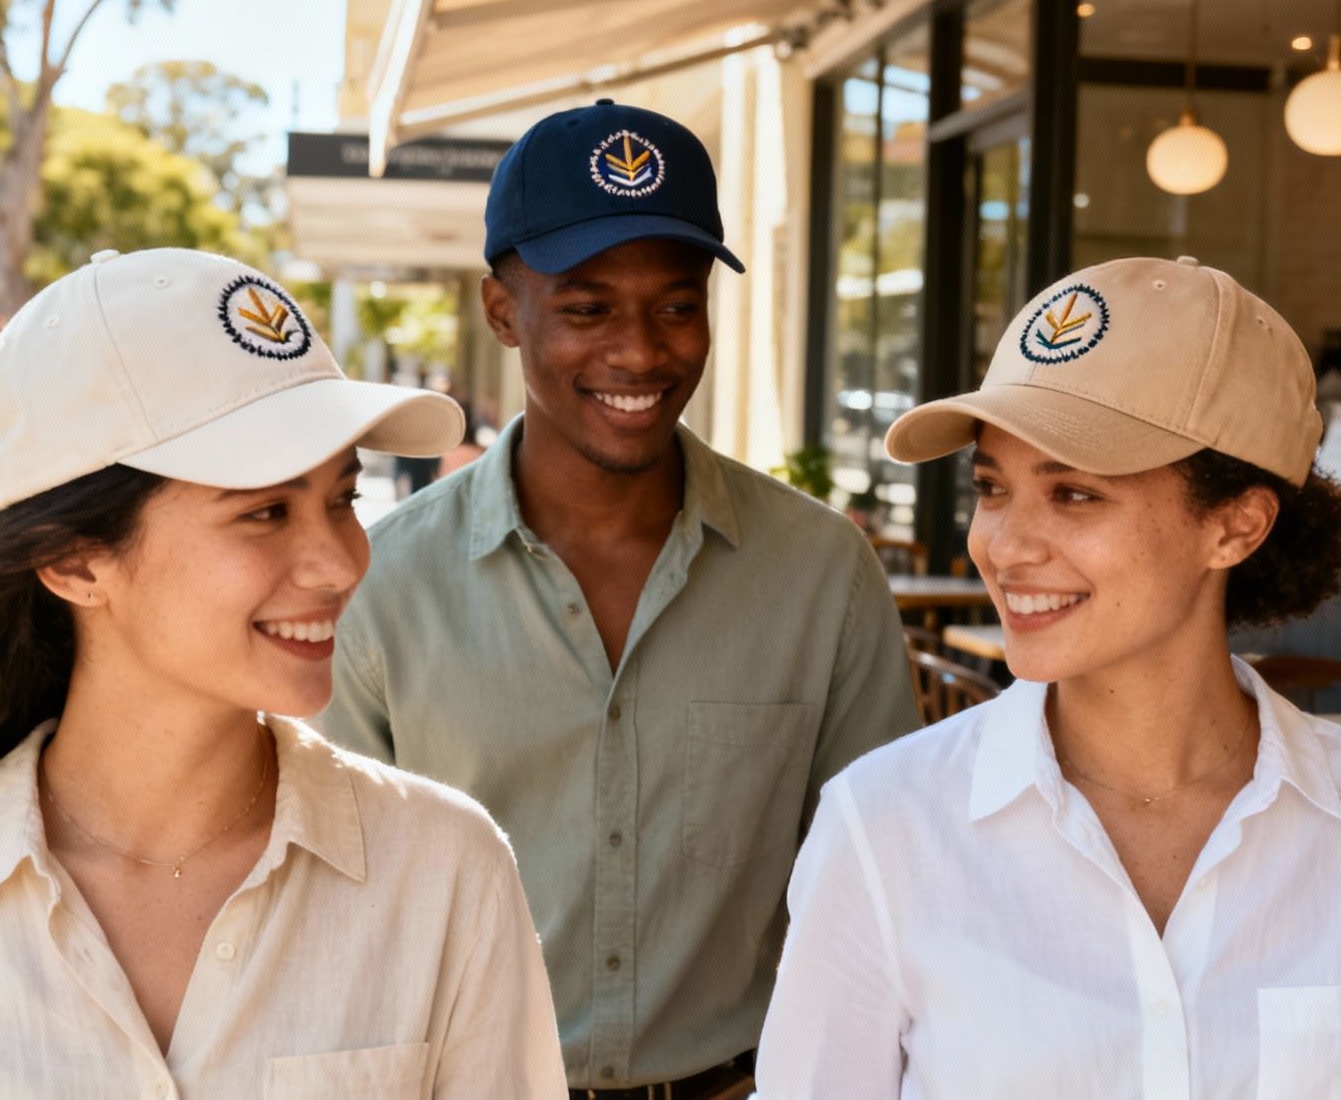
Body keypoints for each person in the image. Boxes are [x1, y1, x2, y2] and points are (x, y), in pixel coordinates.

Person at [0, 248, 567, 1098]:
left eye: (343, 497)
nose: (338, 562)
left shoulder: (445, 873)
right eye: (264, 511)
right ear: (74, 562)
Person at [755, 257, 1341, 1097]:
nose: (1005, 544)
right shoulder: (886, 826)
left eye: (1076, 495)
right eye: (992, 487)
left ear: (1237, 526)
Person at [320, 101, 920, 1096]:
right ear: (501, 311)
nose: (641, 353)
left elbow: (884, 888)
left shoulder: (821, 573)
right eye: (587, 307)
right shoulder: (377, 584)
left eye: (676, 306)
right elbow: (340, 914)